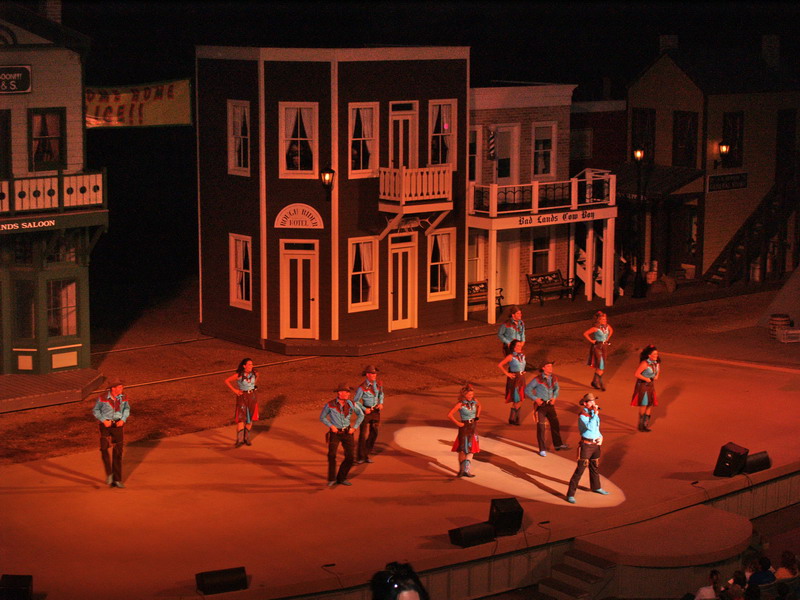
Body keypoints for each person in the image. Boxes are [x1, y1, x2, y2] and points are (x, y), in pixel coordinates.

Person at [566, 393, 610, 503]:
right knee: (580, 470)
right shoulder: (582, 416)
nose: (593, 403)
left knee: (594, 467)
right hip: (586, 446)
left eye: (594, 401)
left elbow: (596, 428)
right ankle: (570, 494)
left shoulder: (593, 413)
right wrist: (595, 414)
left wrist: (601, 437)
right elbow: (589, 427)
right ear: (585, 403)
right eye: (591, 402)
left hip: (595, 444)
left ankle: (596, 487)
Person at [319, 383, 364, 487]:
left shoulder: (351, 404)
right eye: (346, 392)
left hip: (347, 433)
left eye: (348, 392)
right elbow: (322, 417)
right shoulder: (330, 405)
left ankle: (341, 477)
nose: (348, 394)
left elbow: (361, 415)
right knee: (332, 455)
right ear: (340, 393)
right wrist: (331, 426)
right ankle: (331, 478)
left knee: (350, 457)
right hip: (335, 433)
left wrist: (354, 427)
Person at [525, 359, 570, 456]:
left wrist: (554, 397)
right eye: (548, 366)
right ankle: (542, 449)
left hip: (550, 405)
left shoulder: (553, 378)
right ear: (543, 368)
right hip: (541, 406)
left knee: (555, 424)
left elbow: (557, 388)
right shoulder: (537, 379)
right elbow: (527, 389)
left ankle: (558, 444)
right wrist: (536, 399)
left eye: (551, 366)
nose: (551, 368)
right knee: (541, 428)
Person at [92, 376, 131, 488]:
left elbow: (126, 409)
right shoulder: (103, 398)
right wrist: (103, 420)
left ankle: (117, 480)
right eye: (120, 387)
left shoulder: (124, 397)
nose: (122, 388)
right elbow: (95, 410)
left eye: (122, 387)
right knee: (104, 447)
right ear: (113, 388)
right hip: (106, 425)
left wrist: (123, 419)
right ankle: (109, 473)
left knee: (118, 451)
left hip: (117, 425)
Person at [447, 383, 482, 478]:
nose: (471, 396)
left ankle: (466, 470)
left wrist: (477, 416)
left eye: (472, 394)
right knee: (462, 449)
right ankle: (461, 471)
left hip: (473, 427)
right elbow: (450, 415)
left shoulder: (475, 401)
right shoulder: (460, 404)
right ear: (464, 395)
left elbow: (480, 406)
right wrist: (457, 423)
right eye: (469, 395)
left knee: (472, 448)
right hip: (464, 427)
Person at [225, 358, 259, 447]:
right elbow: (227, 381)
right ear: (244, 366)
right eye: (249, 364)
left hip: (252, 397)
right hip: (242, 397)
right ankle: (240, 440)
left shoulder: (255, 373)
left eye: (252, 364)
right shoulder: (239, 375)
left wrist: (253, 386)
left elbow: (257, 378)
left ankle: (246, 438)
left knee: (250, 418)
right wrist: (235, 390)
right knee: (241, 418)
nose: (251, 366)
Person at [354, 364, 384, 464]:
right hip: (365, 412)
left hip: (375, 411)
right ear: (367, 374)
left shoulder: (378, 384)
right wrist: (364, 409)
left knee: (374, 433)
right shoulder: (362, 387)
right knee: (362, 435)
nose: (374, 375)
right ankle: (360, 457)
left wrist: (381, 403)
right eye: (372, 373)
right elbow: (355, 401)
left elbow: (381, 394)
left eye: (375, 373)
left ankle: (366, 454)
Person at [631, 345, 660, 432]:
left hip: (650, 385)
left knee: (649, 404)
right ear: (649, 355)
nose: (656, 355)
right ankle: (640, 425)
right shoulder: (644, 363)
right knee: (644, 404)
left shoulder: (656, 364)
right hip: (643, 385)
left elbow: (656, 376)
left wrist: (656, 373)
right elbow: (636, 374)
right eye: (654, 354)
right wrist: (646, 378)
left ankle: (645, 424)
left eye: (657, 354)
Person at [583, 310, 614, 391]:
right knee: (601, 365)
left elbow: (611, 330)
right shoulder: (595, 328)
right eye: (603, 319)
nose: (605, 320)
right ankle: (600, 383)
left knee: (601, 365)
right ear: (599, 320)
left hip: (604, 347)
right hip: (597, 347)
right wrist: (591, 340)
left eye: (605, 319)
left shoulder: (607, 326)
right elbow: (585, 333)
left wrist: (607, 338)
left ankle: (594, 381)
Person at [498, 339, 526, 425]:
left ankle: (512, 418)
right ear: (513, 347)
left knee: (520, 398)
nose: (520, 347)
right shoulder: (510, 356)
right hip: (515, 379)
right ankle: (516, 419)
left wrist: (522, 371)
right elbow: (500, 365)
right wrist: (507, 374)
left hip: (522, 378)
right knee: (517, 399)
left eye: (520, 345)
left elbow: (521, 365)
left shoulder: (523, 355)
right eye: (517, 346)